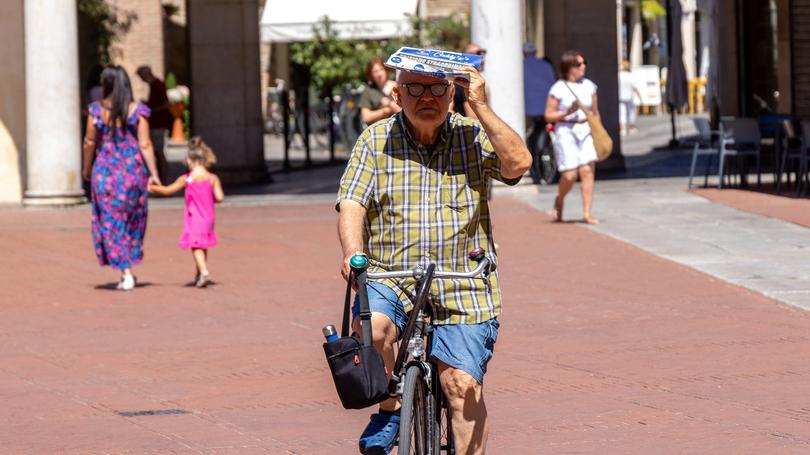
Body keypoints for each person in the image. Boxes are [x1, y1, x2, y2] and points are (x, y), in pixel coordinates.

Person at [337, 61, 531, 454]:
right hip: (392, 274)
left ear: (452, 94)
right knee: (373, 331)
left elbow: (518, 164)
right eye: (414, 88)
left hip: (462, 280)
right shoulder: (375, 140)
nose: (426, 98)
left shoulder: (472, 135)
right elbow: (352, 200)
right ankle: (391, 405)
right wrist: (353, 251)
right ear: (396, 95)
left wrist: (482, 106)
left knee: (460, 386)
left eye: (437, 89)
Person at [82, 65, 162, 290]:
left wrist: (86, 169)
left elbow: (89, 142)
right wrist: (154, 173)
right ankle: (128, 266)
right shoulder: (137, 110)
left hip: (106, 172)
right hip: (132, 172)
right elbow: (145, 144)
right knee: (132, 219)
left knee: (111, 220)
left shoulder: (97, 111)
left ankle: (125, 270)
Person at [148, 137, 224, 288]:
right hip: (209, 218)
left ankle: (204, 272)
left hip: (195, 218)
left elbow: (168, 190)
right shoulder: (212, 178)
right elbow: (220, 197)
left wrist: (152, 188)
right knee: (203, 245)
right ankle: (199, 274)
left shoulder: (187, 179)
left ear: (190, 160)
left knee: (195, 246)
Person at [544, 50, 601, 225]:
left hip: (585, 129)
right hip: (566, 130)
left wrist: (599, 131)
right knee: (569, 175)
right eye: (578, 64)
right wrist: (567, 112)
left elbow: (595, 112)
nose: (583, 66)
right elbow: (548, 115)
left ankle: (587, 213)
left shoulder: (589, 86)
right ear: (569, 68)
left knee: (587, 171)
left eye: (584, 63)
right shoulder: (558, 88)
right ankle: (560, 200)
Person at [136, 65, 170, 183]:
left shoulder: (158, 85)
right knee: (156, 151)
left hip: (159, 123)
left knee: (159, 152)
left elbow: (166, 104)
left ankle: (163, 178)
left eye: (141, 77)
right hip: (154, 123)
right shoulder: (153, 86)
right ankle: (159, 177)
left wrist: (151, 109)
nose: (141, 80)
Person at [523, 41, 557, 153]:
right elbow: (553, 84)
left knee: (526, 134)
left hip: (527, 110)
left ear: (523, 52)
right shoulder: (546, 65)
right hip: (546, 108)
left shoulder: (520, 66)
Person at [358, 57, 401, 126]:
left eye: (381, 69)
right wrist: (385, 111)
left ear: (385, 70)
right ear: (371, 75)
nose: (379, 74)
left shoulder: (398, 86)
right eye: (375, 71)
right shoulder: (368, 91)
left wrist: (389, 103)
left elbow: (403, 111)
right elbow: (365, 117)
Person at [452, 42, 487, 119]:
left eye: (482, 53)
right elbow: (474, 118)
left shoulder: (478, 82)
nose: (480, 58)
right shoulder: (464, 82)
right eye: (476, 54)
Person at [618, 59, 641, 136]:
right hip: (629, 97)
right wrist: (640, 97)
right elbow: (635, 87)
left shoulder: (619, 75)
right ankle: (631, 127)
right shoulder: (631, 75)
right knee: (631, 113)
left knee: (622, 113)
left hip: (621, 97)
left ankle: (623, 129)